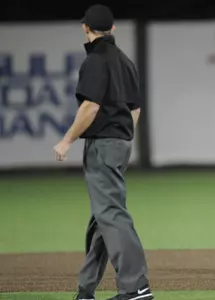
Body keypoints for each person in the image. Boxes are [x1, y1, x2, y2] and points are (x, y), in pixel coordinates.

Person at [53, 4, 154, 300]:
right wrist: (123, 138)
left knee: (111, 213)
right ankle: (86, 290)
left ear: (85, 28)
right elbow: (134, 108)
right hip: (120, 144)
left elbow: (91, 106)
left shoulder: (96, 60)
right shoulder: (124, 60)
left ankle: (136, 287)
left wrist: (67, 140)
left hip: (104, 144)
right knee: (103, 216)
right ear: (113, 29)